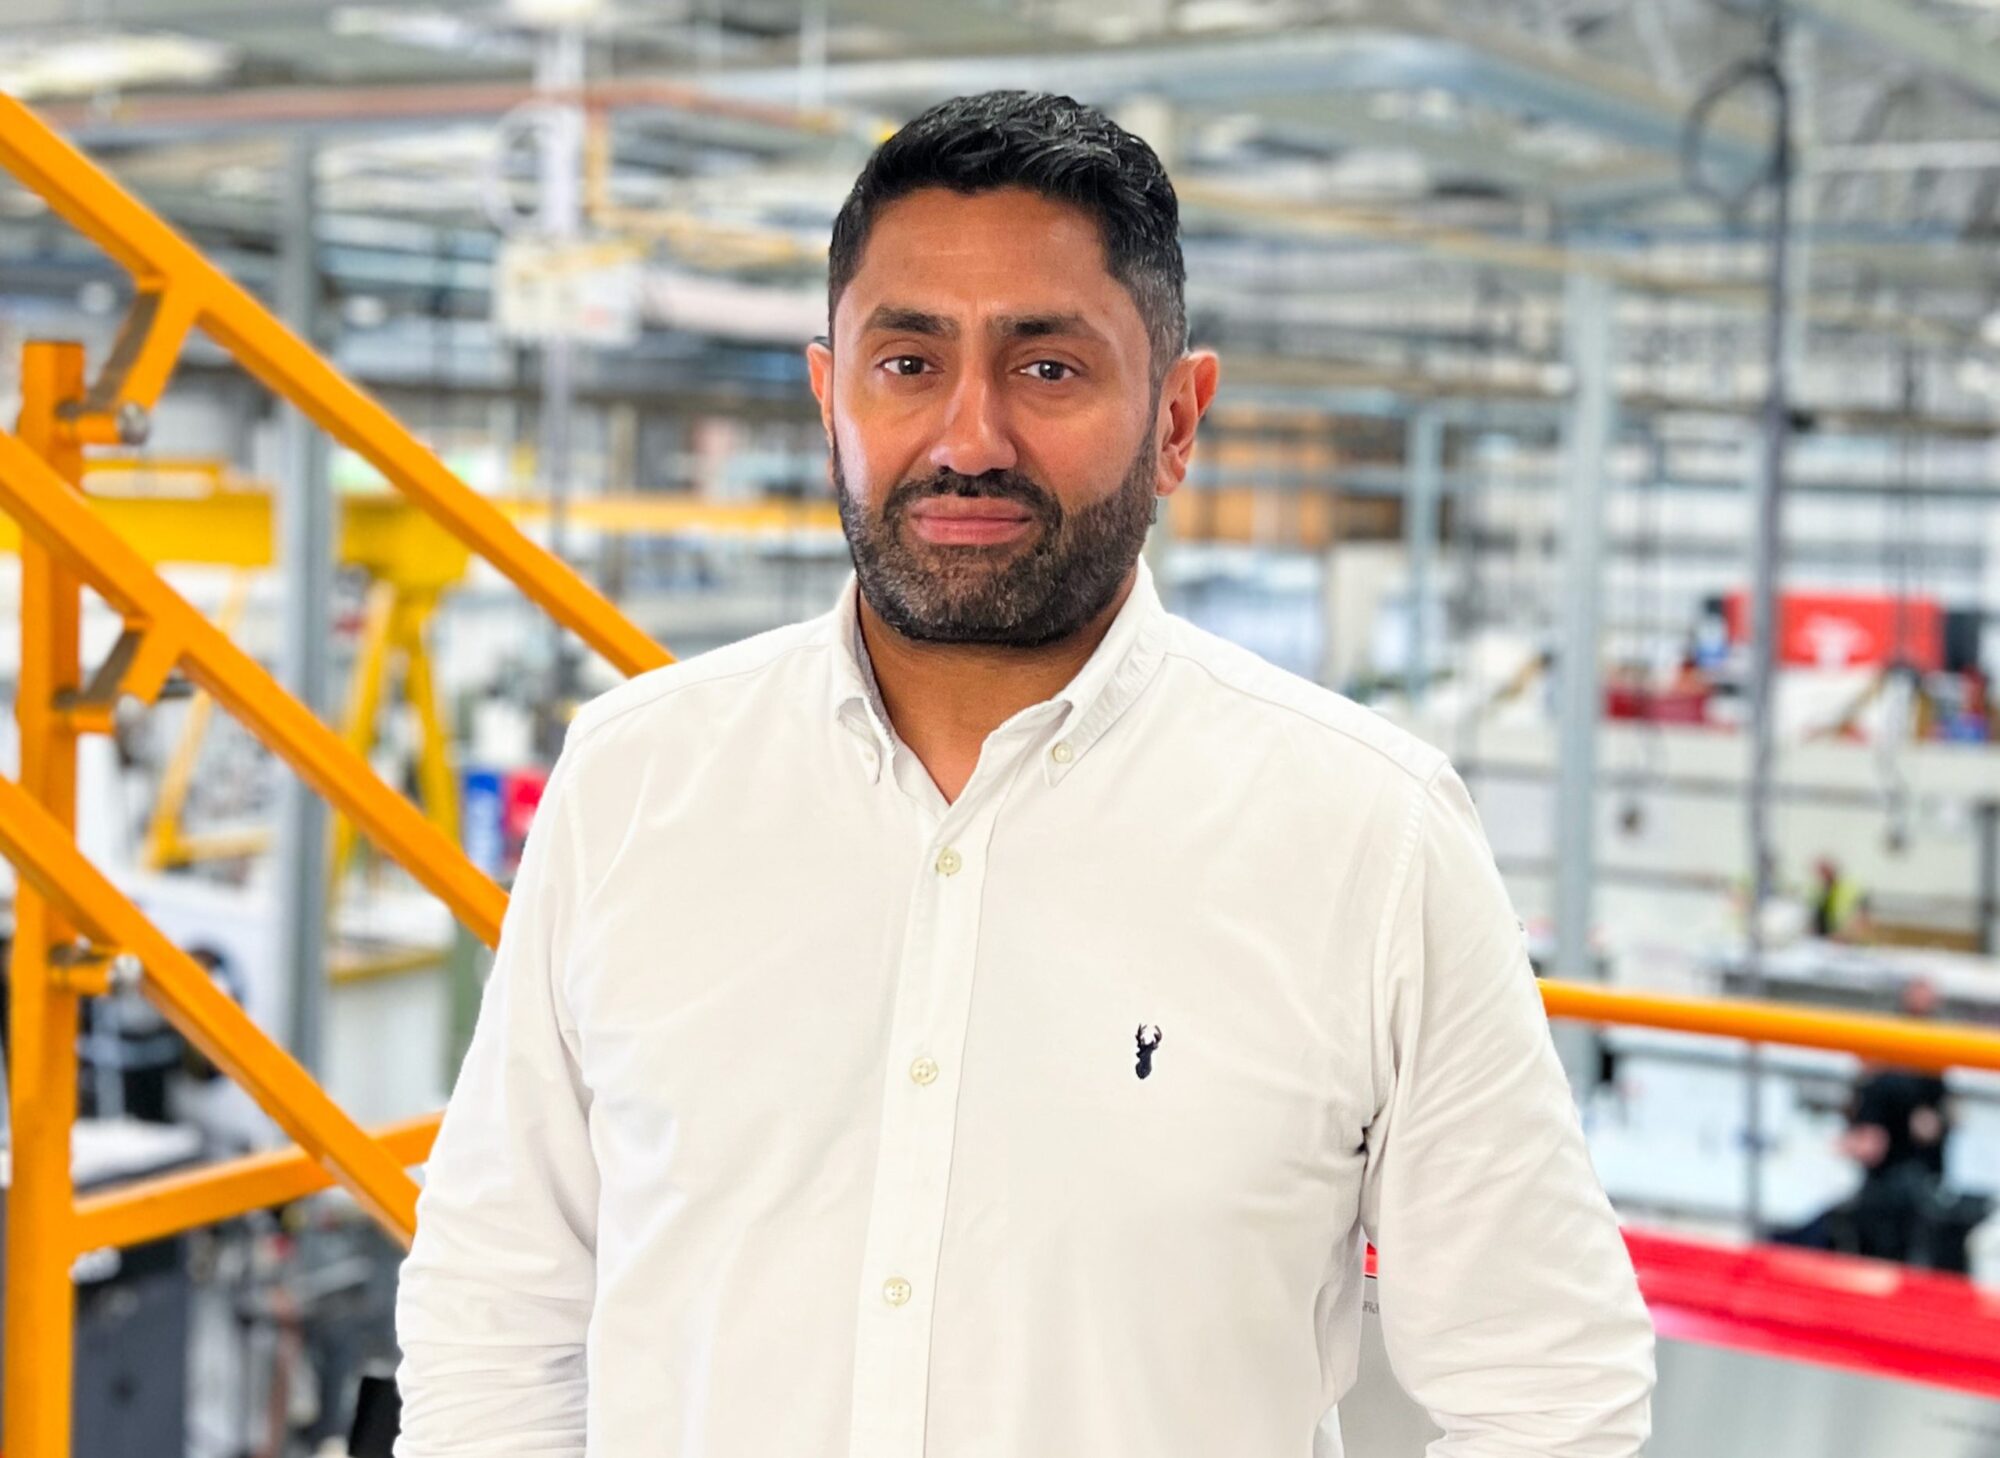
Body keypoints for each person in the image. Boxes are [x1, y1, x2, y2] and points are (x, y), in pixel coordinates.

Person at [394, 91, 1654, 1457]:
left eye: (1047, 367)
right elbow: (499, 1312)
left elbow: (1548, 1389)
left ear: (1178, 417)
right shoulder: (635, 782)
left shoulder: (1369, 839)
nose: (969, 436)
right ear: (832, 397)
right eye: (908, 363)